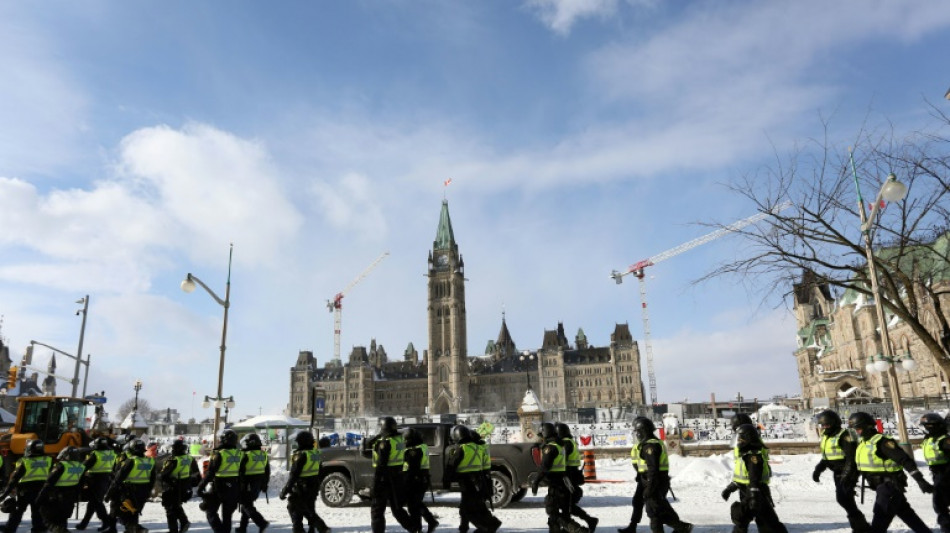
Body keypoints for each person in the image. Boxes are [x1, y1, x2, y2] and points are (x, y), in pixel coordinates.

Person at [847, 411, 933, 532]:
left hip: (889, 487)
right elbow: (861, 466)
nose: (857, 432)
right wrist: (850, 480)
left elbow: (905, 460)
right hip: (882, 487)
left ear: (867, 426)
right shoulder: (863, 443)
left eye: (859, 429)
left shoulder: (882, 442)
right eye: (855, 429)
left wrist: (920, 480)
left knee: (879, 522)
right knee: (908, 515)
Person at [625, 419, 692, 533]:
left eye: (638, 431)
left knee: (654, 511)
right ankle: (681, 527)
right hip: (650, 480)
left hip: (654, 482)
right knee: (654, 511)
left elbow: (653, 469)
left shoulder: (650, 446)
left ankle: (681, 527)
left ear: (644, 431)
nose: (636, 434)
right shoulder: (648, 444)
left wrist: (649, 489)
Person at [721, 424, 787, 533]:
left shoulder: (753, 455)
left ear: (748, 438)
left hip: (756, 491)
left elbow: (753, 476)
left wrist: (753, 494)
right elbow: (743, 475)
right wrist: (731, 487)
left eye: (740, 439)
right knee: (744, 519)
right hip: (749, 490)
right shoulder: (746, 453)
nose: (738, 442)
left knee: (766, 521)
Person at [811, 409, 868, 532]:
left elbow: (851, 457)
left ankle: (862, 527)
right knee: (846, 499)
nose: (824, 427)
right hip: (838, 472)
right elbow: (827, 457)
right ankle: (861, 527)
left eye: (826, 424)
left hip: (849, 470)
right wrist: (818, 470)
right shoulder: (827, 436)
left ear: (834, 423)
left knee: (843, 498)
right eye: (822, 425)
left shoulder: (844, 435)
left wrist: (847, 475)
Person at [530, 422, 585, 533]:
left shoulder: (550, 448)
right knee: (560, 512)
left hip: (556, 484)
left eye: (541, 436)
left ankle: (578, 530)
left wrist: (536, 482)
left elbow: (545, 467)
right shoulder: (560, 445)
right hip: (563, 481)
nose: (541, 439)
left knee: (552, 511)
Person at [446, 424, 500, 533]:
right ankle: (466, 527)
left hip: (466, 482)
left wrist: (448, 479)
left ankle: (484, 527)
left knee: (468, 509)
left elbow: (451, 466)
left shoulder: (461, 449)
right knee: (475, 505)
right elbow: (485, 465)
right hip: (478, 479)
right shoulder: (477, 447)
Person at [368, 417, 415, 533]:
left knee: (377, 511)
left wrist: (375, 485)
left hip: (384, 479)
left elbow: (381, 465)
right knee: (397, 509)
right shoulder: (399, 440)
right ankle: (414, 529)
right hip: (397, 478)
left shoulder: (385, 443)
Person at [279, 431, 330, 533]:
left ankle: (320, 527)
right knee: (309, 509)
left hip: (301, 487)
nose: (297, 444)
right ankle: (313, 529)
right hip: (313, 486)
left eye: (298, 442)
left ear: (302, 442)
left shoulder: (300, 455)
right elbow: (321, 471)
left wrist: (285, 491)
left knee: (294, 508)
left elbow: (294, 475)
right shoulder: (315, 453)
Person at [0, 439, 51, 533]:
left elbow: (14, 479)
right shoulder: (48, 460)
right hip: (41, 491)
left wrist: (4, 494)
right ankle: (39, 530)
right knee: (37, 513)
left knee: (17, 512)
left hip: (25, 491)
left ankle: (10, 529)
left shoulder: (25, 461)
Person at [197, 429, 242, 533]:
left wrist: (200, 486)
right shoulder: (239, 454)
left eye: (221, 439)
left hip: (219, 487)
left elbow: (210, 473)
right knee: (227, 516)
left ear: (225, 440)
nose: (219, 440)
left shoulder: (219, 454)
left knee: (210, 511)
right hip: (233, 488)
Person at [556, 423, 598, 533]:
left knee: (566, 504)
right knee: (567, 505)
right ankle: (587, 521)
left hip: (569, 475)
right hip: (573, 474)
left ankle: (587, 521)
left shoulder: (566, 443)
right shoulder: (570, 441)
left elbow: (561, 459)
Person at [106, 439, 156, 533]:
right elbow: (152, 480)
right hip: (143, 492)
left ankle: (136, 529)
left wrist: (109, 493)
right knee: (134, 513)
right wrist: (147, 491)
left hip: (129, 491)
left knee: (122, 513)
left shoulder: (131, 461)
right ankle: (134, 529)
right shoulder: (150, 462)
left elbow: (118, 478)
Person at [36, 446, 86, 533]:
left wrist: (40, 498)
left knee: (48, 519)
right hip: (70, 497)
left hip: (57, 497)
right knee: (62, 520)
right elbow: (81, 484)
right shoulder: (81, 466)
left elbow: (49, 483)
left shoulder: (62, 465)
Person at [76, 437, 117, 532]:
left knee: (97, 502)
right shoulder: (111, 453)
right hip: (106, 479)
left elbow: (84, 466)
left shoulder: (96, 454)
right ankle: (84, 524)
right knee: (93, 503)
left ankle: (107, 521)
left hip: (95, 480)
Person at [618, 416, 651, 533]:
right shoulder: (638, 444)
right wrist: (639, 473)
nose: (635, 433)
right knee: (637, 501)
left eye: (637, 430)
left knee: (656, 506)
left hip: (651, 478)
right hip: (643, 477)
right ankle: (633, 526)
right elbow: (638, 461)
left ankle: (679, 525)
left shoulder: (648, 444)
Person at [159, 438, 199, 533]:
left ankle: (178, 527)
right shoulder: (189, 458)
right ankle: (182, 523)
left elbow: (164, 475)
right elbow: (197, 474)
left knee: (170, 509)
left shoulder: (174, 460)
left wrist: (161, 477)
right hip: (185, 487)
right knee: (175, 507)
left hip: (173, 488)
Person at [403, 428, 439, 533]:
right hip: (421, 479)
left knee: (413, 506)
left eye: (407, 439)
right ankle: (429, 522)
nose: (405, 441)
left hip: (415, 479)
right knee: (416, 504)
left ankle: (421, 526)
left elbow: (412, 466)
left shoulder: (415, 450)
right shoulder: (422, 446)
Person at [921, 412, 950, 532]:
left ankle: (946, 526)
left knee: (938, 501)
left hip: (946, 473)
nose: (925, 429)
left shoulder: (945, 440)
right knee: (941, 501)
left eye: (927, 426)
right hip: (937, 473)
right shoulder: (930, 438)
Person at [236, 433, 270, 533]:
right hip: (258, 485)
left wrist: (239, 484)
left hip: (247, 484)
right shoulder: (263, 454)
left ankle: (261, 522)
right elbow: (267, 471)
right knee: (247, 505)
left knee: (246, 505)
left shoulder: (246, 455)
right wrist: (265, 484)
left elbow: (240, 471)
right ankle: (242, 528)